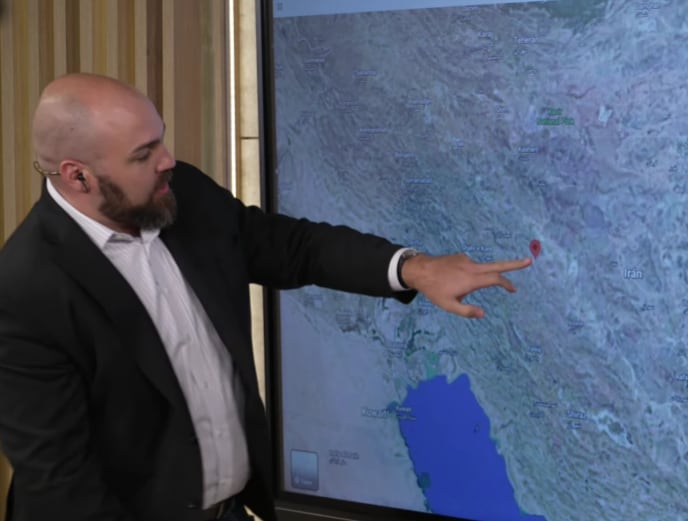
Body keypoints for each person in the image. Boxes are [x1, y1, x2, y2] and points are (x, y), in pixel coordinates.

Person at [0, 73, 531, 521]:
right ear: (78, 177)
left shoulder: (180, 194)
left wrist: (415, 268)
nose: (168, 160)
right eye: (144, 154)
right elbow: (61, 488)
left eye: (161, 140)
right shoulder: (26, 291)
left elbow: (294, 247)